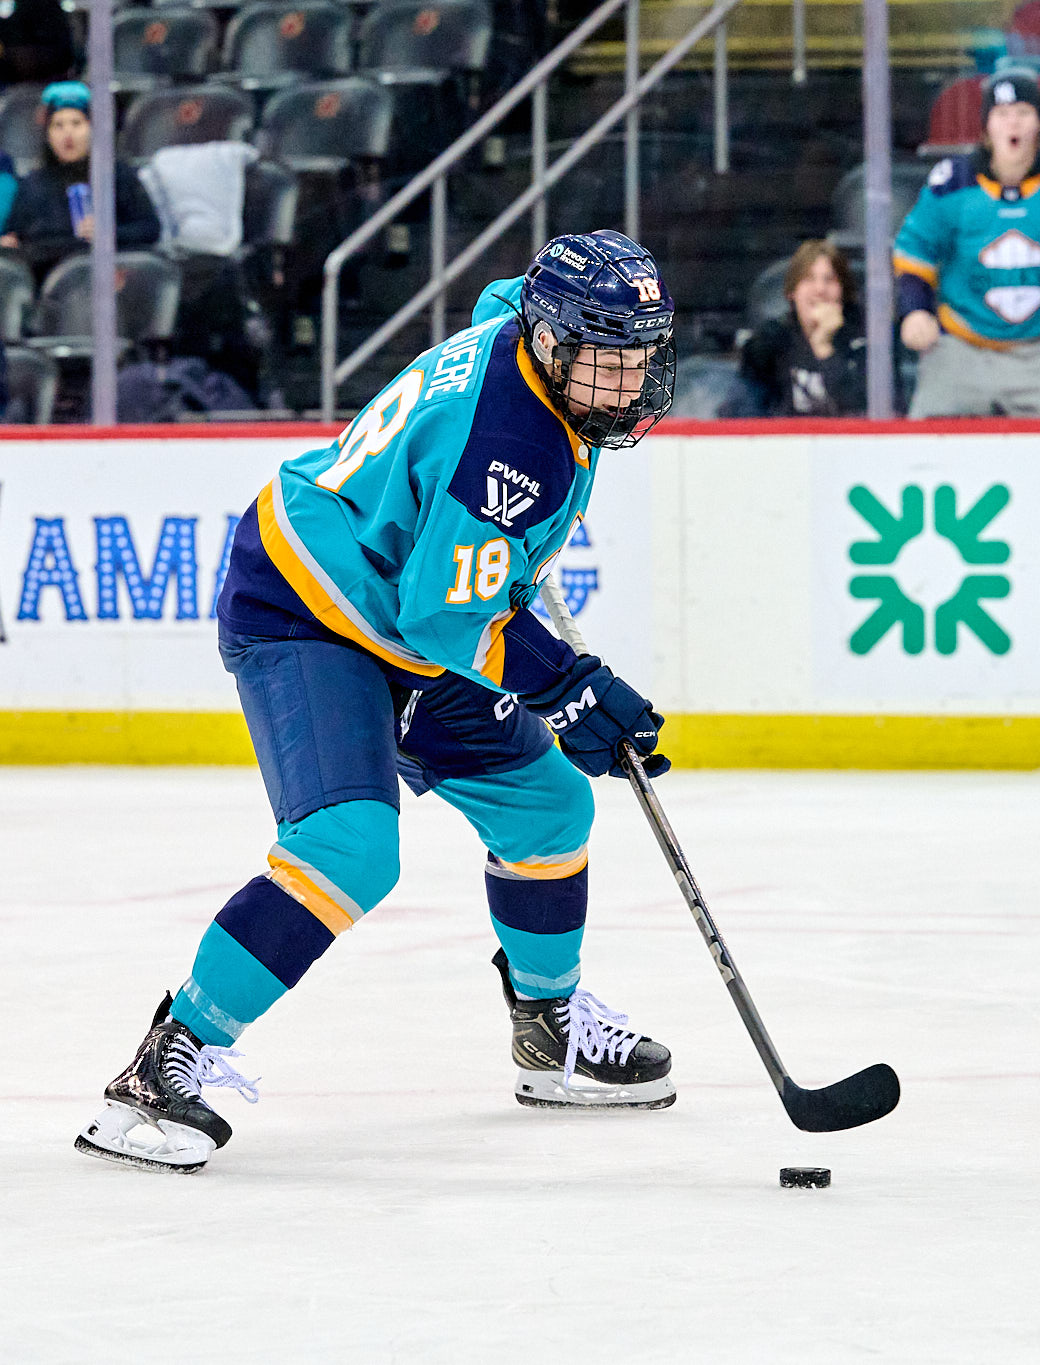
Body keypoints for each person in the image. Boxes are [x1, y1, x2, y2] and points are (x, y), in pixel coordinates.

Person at [76, 230, 682, 1174]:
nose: (631, 383)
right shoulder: (514, 445)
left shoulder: (524, 332)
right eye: (609, 360)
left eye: (641, 355)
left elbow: (493, 298)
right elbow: (447, 617)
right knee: (349, 846)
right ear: (555, 341)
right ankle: (164, 1064)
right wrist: (567, 685)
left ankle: (546, 1029)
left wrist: (556, 684)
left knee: (548, 803)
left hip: (398, 605)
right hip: (308, 604)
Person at [892, 69, 1040, 418]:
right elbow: (915, 252)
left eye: (1024, 113)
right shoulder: (951, 183)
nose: (1013, 124)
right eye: (1002, 115)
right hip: (963, 349)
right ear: (986, 128)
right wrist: (915, 310)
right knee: (926, 443)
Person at [0, 82, 160, 284]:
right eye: (58, 125)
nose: (68, 134)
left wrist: (109, 233)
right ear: (48, 134)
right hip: (45, 279)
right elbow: (15, 234)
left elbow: (150, 228)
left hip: (105, 279)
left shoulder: (116, 174)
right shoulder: (33, 182)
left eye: (77, 123)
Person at [739, 239, 870, 416]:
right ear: (791, 292)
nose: (820, 289)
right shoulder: (770, 344)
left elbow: (861, 412)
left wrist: (823, 347)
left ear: (843, 292)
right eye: (809, 279)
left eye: (830, 280)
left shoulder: (866, 339)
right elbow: (744, 413)